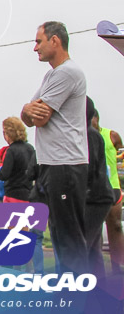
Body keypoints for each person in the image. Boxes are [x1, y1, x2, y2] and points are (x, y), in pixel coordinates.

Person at [20, 21, 88, 274]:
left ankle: (80, 299)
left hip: (65, 165)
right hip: (53, 164)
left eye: (39, 41)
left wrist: (29, 111)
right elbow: (27, 115)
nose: (34, 48)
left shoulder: (67, 72)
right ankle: (69, 293)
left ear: (55, 41)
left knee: (69, 240)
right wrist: (27, 110)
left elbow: (39, 117)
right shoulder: (51, 74)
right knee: (59, 237)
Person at [0, 116, 41, 272]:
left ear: (7, 133)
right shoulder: (30, 148)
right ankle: (25, 268)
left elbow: (4, 174)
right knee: (24, 230)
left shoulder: (12, 150)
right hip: (27, 194)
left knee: (13, 233)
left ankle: (22, 268)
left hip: (12, 195)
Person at [84, 98, 114, 276]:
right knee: (92, 248)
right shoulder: (89, 134)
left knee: (81, 246)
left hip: (94, 197)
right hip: (95, 195)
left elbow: (89, 168)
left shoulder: (88, 135)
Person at [92, 108, 124, 273]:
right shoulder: (82, 137)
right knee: (95, 230)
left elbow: (121, 157)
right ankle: (98, 269)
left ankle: (117, 266)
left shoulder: (112, 136)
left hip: (113, 188)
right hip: (93, 190)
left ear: (97, 118)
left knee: (116, 226)